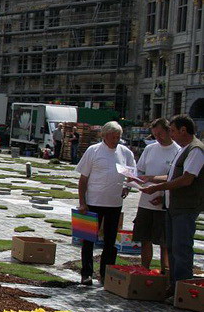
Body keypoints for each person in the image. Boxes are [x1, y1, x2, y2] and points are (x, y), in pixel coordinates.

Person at [138, 114, 204, 299]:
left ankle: (182, 289)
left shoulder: (196, 150)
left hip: (185, 207)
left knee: (181, 247)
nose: (171, 135)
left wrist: (158, 188)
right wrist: (155, 185)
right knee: (173, 247)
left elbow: (186, 180)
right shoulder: (183, 150)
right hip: (173, 206)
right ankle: (173, 285)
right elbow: (172, 177)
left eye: (173, 131)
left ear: (184, 130)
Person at [76, 121, 135, 285]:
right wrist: (82, 202)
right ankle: (86, 272)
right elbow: (83, 179)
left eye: (118, 137)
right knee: (88, 240)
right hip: (94, 201)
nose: (116, 140)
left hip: (114, 203)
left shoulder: (126, 153)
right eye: (113, 137)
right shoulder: (93, 151)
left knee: (110, 241)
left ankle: (105, 273)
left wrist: (127, 188)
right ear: (104, 135)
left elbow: (132, 176)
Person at [131, 118, 180, 273]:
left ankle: (165, 271)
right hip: (146, 201)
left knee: (164, 241)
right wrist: (134, 180)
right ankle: (145, 270)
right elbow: (140, 171)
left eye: (160, 134)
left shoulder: (177, 151)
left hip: (164, 203)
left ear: (168, 131)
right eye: (154, 135)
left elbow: (173, 178)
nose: (158, 137)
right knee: (145, 238)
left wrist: (161, 192)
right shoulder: (150, 149)